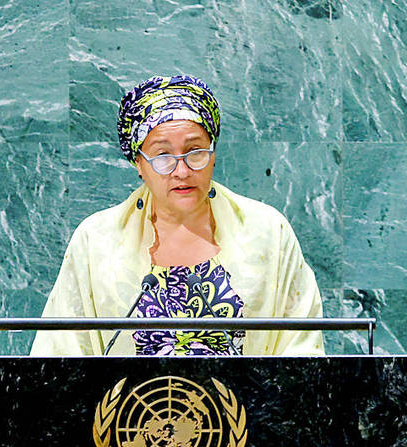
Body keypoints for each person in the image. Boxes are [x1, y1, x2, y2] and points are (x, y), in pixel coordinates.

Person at [30, 75, 324, 355]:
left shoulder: (269, 232)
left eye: (195, 151)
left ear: (213, 152)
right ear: (138, 163)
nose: (181, 171)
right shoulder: (96, 241)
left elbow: (302, 351)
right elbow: (60, 357)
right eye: (162, 156)